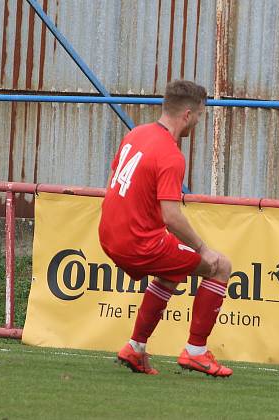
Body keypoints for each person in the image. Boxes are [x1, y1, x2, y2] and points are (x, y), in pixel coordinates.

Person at [99, 80, 233, 377]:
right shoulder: (171, 155)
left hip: (108, 235)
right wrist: (203, 249)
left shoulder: (136, 135)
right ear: (187, 114)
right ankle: (196, 352)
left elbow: (119, 183)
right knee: (220, 265)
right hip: (138, 243)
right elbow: (171, 216)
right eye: (200, 116)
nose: (198, 122)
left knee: (171, 268)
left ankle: (135, 348)